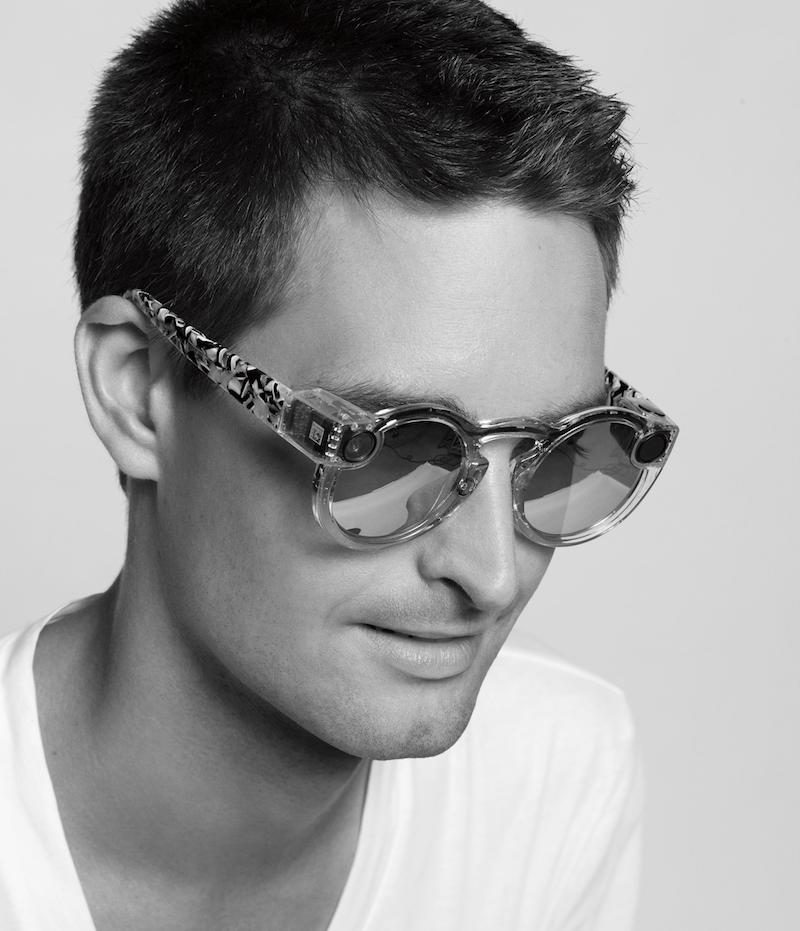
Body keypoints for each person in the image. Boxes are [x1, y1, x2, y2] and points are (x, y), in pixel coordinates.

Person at [0, 0, 679, 928]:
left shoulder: (553, 779)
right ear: (138, 389)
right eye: (390, 447)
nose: (492, 574)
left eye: (562, 450)